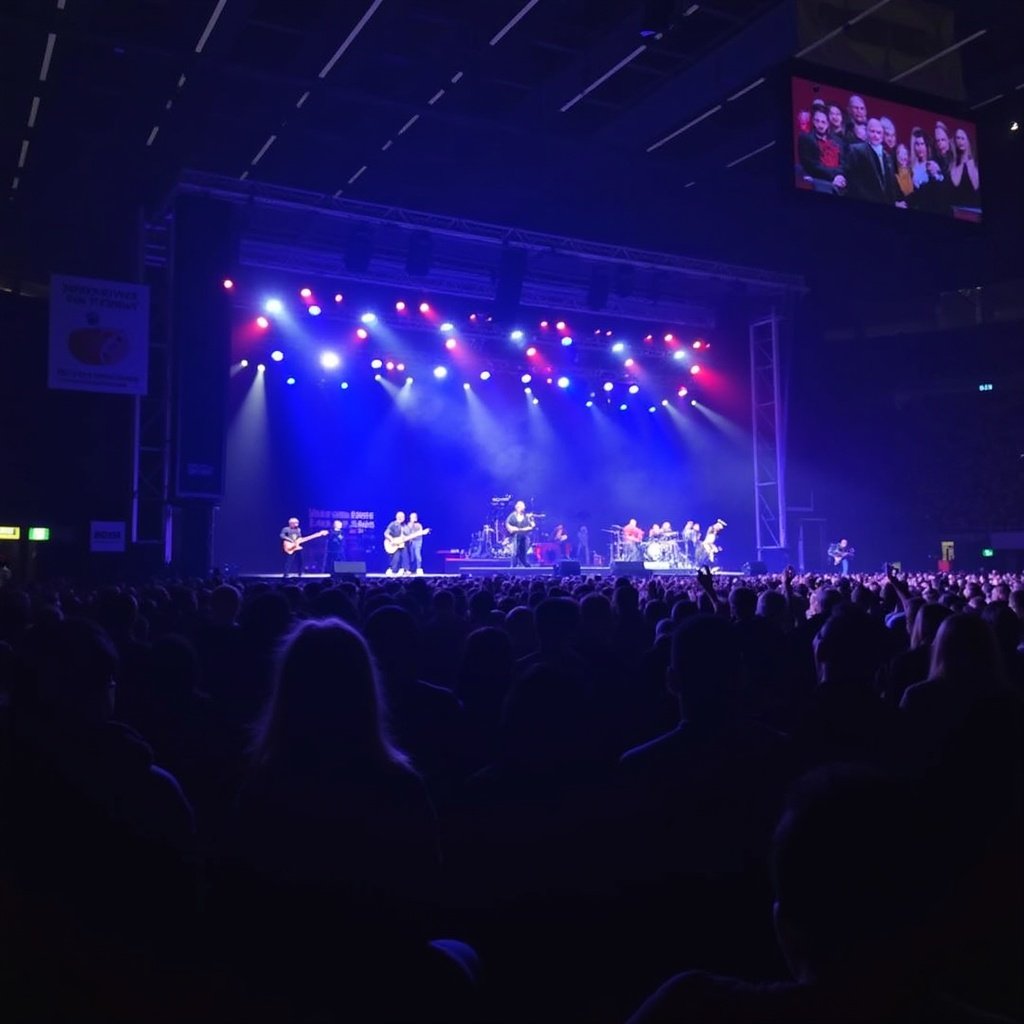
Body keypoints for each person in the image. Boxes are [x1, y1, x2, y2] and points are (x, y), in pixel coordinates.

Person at [843, 118, 903, 205]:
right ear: (867, 132)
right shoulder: (856, 150)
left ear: (882, 136)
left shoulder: (888, 157)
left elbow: (890, 186)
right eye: (872, 131)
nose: (875, 135)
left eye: (878, 133)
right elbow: (852, 179)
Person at [798, 108, 847, 193]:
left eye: (823, 122)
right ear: (813, 122)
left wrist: (839, 175)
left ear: (828, 124)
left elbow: (843, 163)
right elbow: (812, 165)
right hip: (818, 178)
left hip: (838, 179)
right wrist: (834, 176)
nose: (820, 125)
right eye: (817, 121)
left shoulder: (838, 141)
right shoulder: (806, 139)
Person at [505, 500, 534, 568]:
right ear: (517, 507)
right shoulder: (512, 516)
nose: (524, 508)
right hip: (514, 537)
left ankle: (526, 566)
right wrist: (514, 529)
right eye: (522, 506)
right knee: (515, 553)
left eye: (524, 507)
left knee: (523, 554)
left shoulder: (527, 516)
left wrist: (521, 529)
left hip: (524, 537)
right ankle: (514, 567)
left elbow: (532, 526)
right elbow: (508, 526)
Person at [384, 510, 410, 576]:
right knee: (396, 558)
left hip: (402, 544)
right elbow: (386, 533)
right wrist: (391, 539)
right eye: (401, 516)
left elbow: (408, 535)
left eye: (403, 516)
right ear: (397, 517)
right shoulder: (393, 524)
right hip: (394, 544)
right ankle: (392, 570)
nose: (402, 518)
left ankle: (406, 570)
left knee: (405, 556)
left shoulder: (405, 526)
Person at [407, 511, 427, 576]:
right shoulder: (408, 525)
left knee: (417, 555)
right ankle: (411, 569)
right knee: (411, 557)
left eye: (415, 517)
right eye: (413, 517)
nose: (415, 518)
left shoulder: (419, 525)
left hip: (418, 542)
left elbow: (420, 533)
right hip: (410, 542)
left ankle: (419, 568)